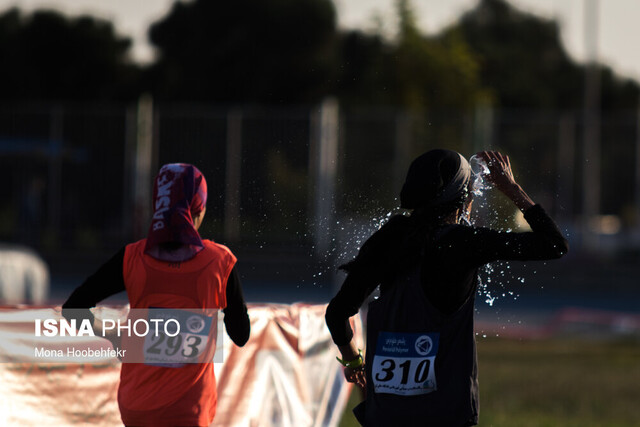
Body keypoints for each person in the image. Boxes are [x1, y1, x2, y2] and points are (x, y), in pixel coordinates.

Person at [325, 149, 568, 426]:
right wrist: (512, 189)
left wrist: (354, 362)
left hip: (386, 413)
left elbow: (337, 313)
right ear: (463, 199)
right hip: (445, 411)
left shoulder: (390, 238)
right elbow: (554, 244)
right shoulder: (463, 243)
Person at [63, 163, 250, 427]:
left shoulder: (131, 258)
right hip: (190, 411)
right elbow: (241, 336)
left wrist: (115, 335)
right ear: (199, 208)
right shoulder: (220, 262)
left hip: (136, 409)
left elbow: (73, 308)